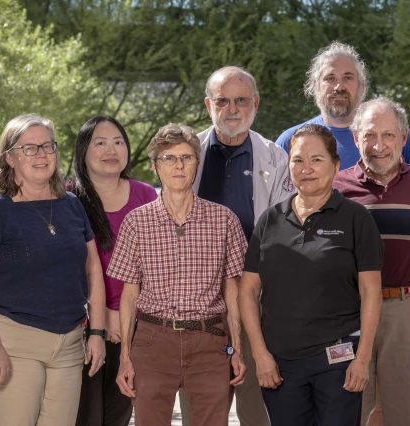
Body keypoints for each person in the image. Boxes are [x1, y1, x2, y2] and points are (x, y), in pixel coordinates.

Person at [239, 123, 384, 426]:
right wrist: (260, 354)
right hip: (280, 365)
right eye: (298, 160)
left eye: (316, 160)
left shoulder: (357, 219)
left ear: (335, 165)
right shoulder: (269, 220)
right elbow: (248, 291)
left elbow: (371, 293)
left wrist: (362, 358)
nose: (306, 169)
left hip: (339, 360)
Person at [109, 123, 247, 426]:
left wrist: (236, 348)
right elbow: (129, 294)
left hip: (210, 340)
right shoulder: (136, 222)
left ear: (197, 163)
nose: (179, 165)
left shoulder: (224, 220)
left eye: (186, 157)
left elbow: (233, 291)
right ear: (155, 166)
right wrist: (125, 358)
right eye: (169, 158)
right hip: (152, 340)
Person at [179, 66, 292, 426]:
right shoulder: (185, 155)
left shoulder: (275, 159)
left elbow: (283, 232)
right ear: (208, 104)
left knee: (257, 408)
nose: (232, 109)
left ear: (255, 104)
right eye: (223, 100)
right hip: (198, 300)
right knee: (201, 407)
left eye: (241, 100)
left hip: (255, 296)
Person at [333, 98, 410, 426]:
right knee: (346, 412)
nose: (379, 145)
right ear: (356, 138)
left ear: (403, 137)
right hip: (350, 315)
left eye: (388, 135)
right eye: (369, 135)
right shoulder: (336, 189)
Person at [0, 114, 106, 426]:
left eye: (48, 146)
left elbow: (93, 270)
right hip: (14, 342)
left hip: (69, 344)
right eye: (30, 148)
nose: (42, 154)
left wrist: (97, 333)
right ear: (10, 157)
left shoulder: (71, 204)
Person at [69, 116, 157, 426]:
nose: (111, 149)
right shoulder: (67, 199)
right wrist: (101, 315)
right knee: (84, 416)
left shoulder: (146, 195)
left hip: (133, 329)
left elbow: (156, 264)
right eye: (101, 142)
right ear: (83, 151)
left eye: (118, 141)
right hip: (80, 329)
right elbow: (63, 267)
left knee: (117, 416)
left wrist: (124, 318)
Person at [276, 41, 410, 172]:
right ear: (315, 86)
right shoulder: (290, 142)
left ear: (361, 86)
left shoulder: (396, 137)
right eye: (330, 78)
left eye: (348, 78)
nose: (339, 87)